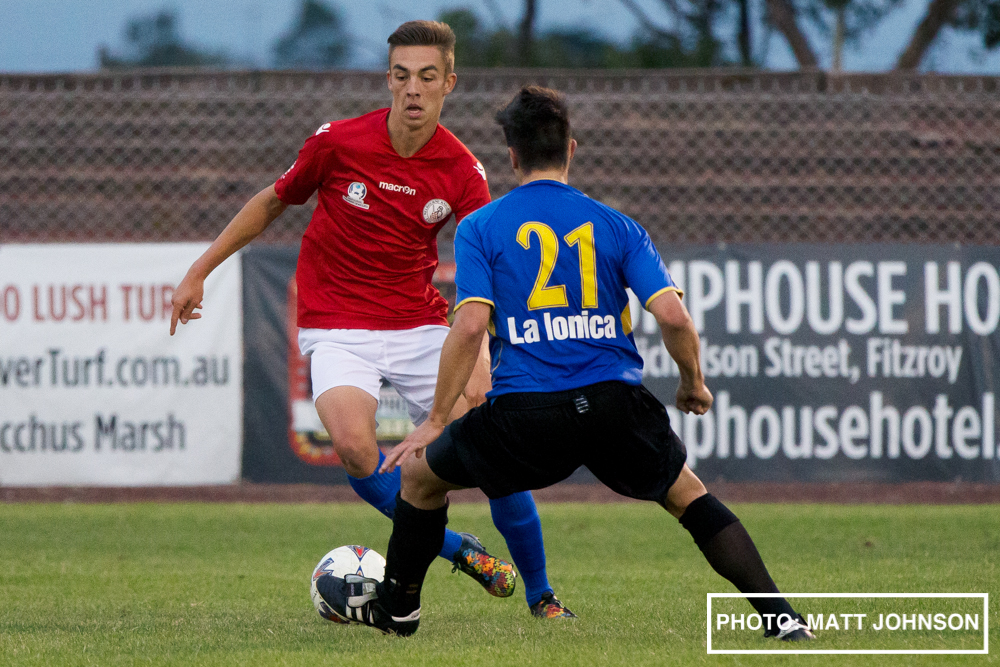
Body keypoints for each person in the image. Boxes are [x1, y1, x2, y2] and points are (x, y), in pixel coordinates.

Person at [314, 86, 817, 640]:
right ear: (570, 150)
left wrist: (435, 419)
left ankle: (399, 610)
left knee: (418, 476)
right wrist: (692, 384)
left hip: (528, 414)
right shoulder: (618, 226)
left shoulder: (482, 227)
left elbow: (472, 325)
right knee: (688, 496)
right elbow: (674, 317)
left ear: (511, 156)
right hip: (613, 405)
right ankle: (782, 619)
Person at [169, 22, 570, 618]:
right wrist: (200, 269)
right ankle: (459, 551)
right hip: (337, 324)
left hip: (419, 325)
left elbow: (495, 253)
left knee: (494, 449)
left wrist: (492, 337)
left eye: (427, 77)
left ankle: (543, 599)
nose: (413, 89)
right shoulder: (338, 143)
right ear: (389, 79)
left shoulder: (461, 171)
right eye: (402, 75)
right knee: (358, 451)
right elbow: (273, 200)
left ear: (448, 84)